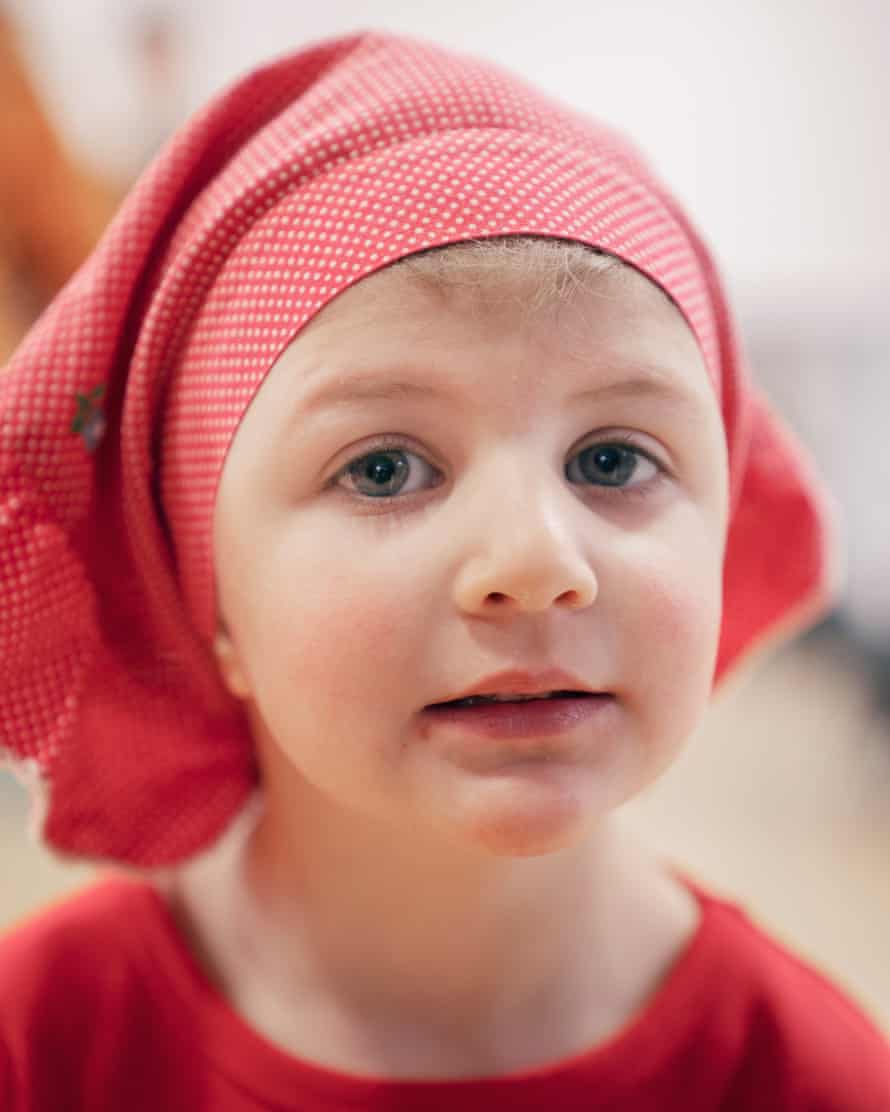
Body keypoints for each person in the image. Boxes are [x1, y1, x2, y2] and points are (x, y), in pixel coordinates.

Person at [1, 29, 887, 1112]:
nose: (534, 559)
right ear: (207, 594)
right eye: (382, 467)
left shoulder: (802, 1074)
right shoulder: (46, 1042)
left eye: (611, 458)